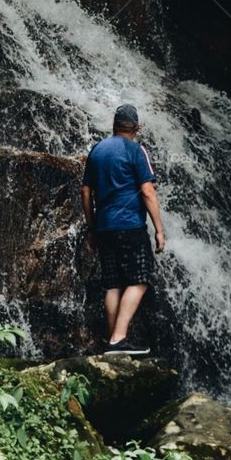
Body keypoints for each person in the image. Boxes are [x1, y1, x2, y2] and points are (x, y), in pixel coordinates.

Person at [80, 103, 166, 355]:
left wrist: (91, 228)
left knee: (113, 284)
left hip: (104, 228)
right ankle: (119, 339)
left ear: (114, 125)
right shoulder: (136, 150)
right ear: (137, 127)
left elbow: (85, 192)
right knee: (140, 280)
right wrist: (159, 230)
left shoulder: (97, 150)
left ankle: (113, 345)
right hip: (130, 226)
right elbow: (147, 191)